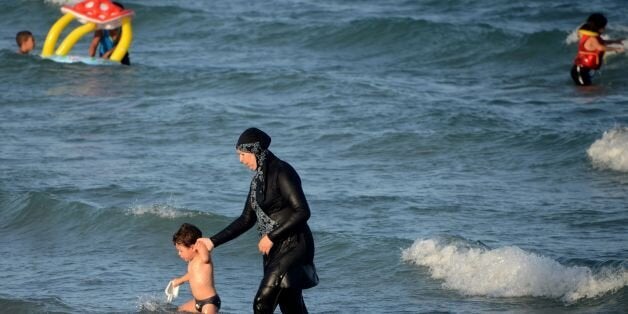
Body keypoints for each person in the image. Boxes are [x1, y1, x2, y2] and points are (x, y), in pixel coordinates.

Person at [197, 128, 318, 314]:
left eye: (243, 154)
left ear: (256, 151)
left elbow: (302, 211)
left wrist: (270, 236)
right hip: (275, 250)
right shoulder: (257, 181)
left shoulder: (282, 172)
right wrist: (213, 241)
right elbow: (246, 219)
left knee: (262, 303)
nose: (241, 160)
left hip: (294, 246)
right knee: (291, 306)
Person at [171, 223, 221, 314]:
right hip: (197, 302)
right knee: (179, 311)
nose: (179, 254)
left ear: (193, 247)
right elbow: (192, 275)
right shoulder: (192, 262)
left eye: (181, 250)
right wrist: (180, 280)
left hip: (209, 303)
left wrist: (201, 245)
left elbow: (206, 258)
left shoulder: (202, 257)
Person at [571, 13, 624, 86]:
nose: (605, 29)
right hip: (580, 71)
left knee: (590, 92)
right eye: (604, 27)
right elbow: (600, 47)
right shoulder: (592, 38)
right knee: (588, 92)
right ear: (598, 27)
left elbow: (603, 42)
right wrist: (616, 49)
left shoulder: (592, 37)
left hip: (581, 70)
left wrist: (616, 41)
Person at [88, 1, 131, 65]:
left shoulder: (122, 28)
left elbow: (120, 45)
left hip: (121, 57)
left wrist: (107, 54)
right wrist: (91, 58)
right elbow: (94, 43)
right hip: (103, 56)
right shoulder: (102, 27)